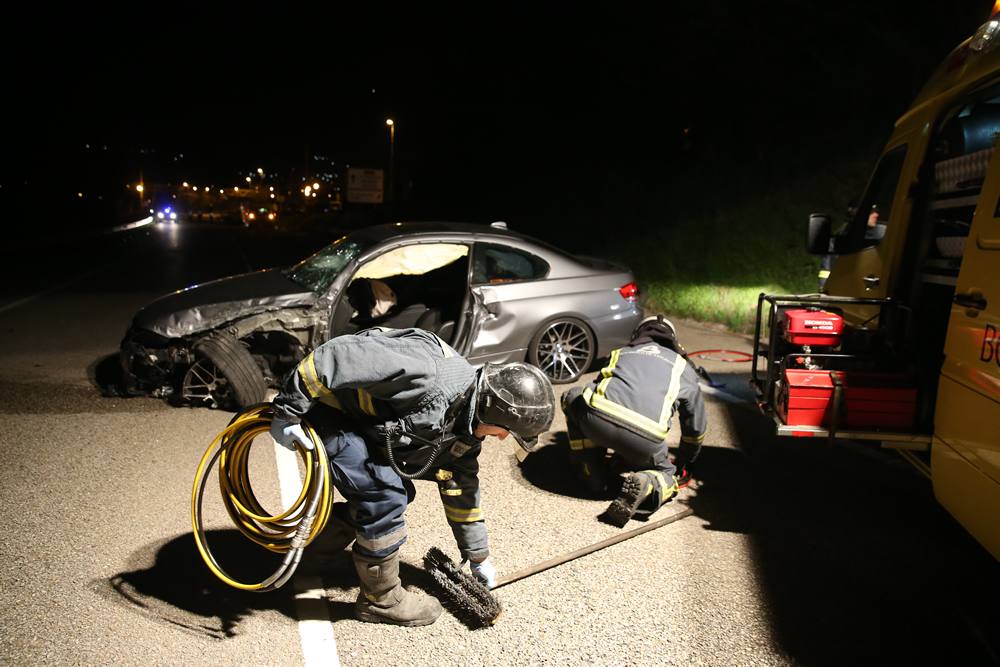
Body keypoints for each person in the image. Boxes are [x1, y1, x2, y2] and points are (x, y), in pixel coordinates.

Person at [269, 327, 555, 627]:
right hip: (330, 411)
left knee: (400, 492)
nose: (501, 438)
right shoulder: (427, 371)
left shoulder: (467, 430)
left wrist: (478, 556)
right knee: (385, 496)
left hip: (363, 424)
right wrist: (288, 411)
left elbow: (461, 490)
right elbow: (338, 355)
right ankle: (380, 601)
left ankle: (311, 553)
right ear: (494, 412)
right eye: (506, 432)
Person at [561, 315, 707, 527]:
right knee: (667, 473)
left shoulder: (621, 353)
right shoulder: (683, 367)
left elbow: (596, 389)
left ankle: (591, 470)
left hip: (597, 422)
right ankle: (648, 483)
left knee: (573, 397)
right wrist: (685, 460)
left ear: (638, 335)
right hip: (645, 439)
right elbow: (695, 426)